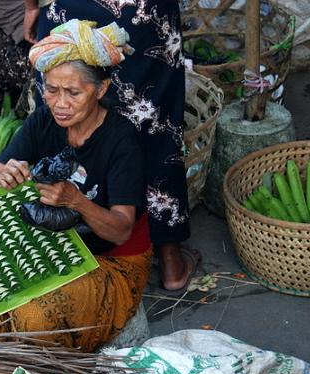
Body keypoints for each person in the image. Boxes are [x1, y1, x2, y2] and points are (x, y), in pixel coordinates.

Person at [0, 19, 150, 352]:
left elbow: (121, 231)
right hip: (57, 244)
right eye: (51, 90)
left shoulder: (121, 140)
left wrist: (77, 202)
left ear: (100, 90)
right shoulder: (43, 119)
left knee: (34, 317)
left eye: (73, 92)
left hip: (112, 261)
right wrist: (3, 177)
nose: (60, 103)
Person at [26, 0, 201, 293]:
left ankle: (71, 244)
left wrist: (31, 6)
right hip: (141, 13)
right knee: (155, 122)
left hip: (70, 8)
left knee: (69, 109)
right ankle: (170, 258)